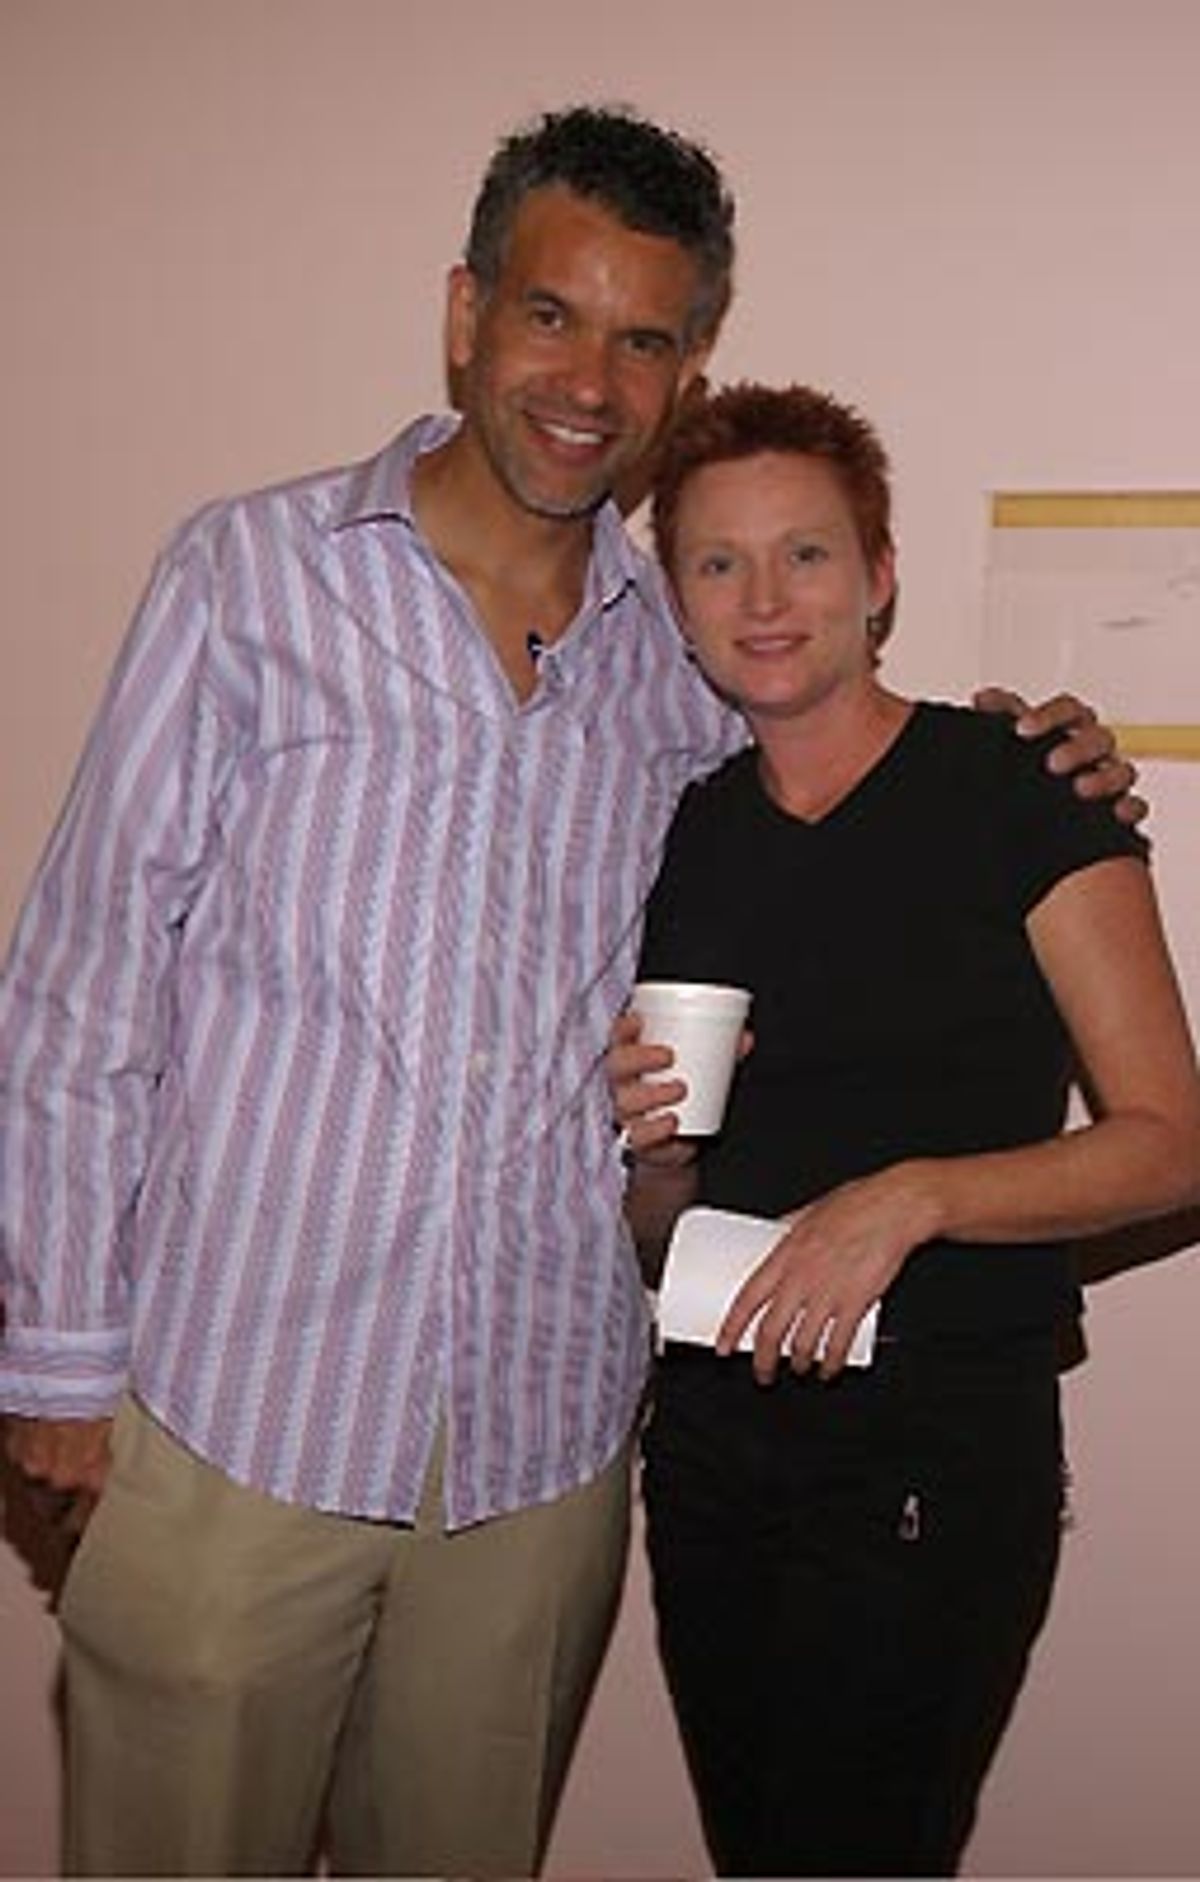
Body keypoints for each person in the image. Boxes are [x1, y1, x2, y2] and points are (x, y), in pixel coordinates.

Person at [0, 104, 1138, 1879]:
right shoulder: (250, 579)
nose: (589, 376)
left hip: (540, 1455)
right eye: (552, 313)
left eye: (647, 335)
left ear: (687, 370)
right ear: (465, 313)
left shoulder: (679, 671)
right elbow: (82, 985)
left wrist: (1046, 748)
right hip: (238, 1420)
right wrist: (59, 1357)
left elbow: (841, 753)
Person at [608, 380, 1200, 1877]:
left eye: (806, 554)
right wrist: (659, 1161)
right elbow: (667, 1228)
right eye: (717, 563)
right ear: (675, 600)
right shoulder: (684, 839)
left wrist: (914, 1196)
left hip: (936, 1445)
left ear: (879, 576)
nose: (764, 599)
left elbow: (1169, 1142)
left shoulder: (1020, 793)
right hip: (714, 1447)